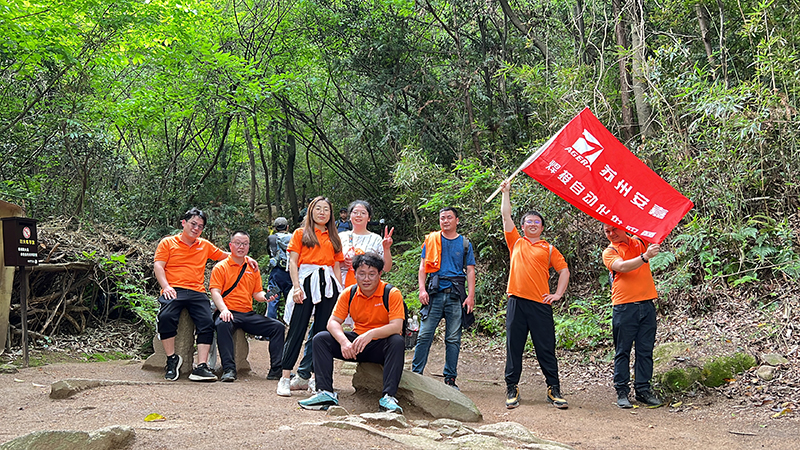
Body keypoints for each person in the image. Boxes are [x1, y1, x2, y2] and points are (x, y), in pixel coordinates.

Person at [290, 200, 395, 393]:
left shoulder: (376, 239)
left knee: (365, 328)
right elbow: (328, 261)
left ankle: (372, 369)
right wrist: (342, 262)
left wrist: (386, 248)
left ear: (369, 217)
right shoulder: (339, 236)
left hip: (367, 293)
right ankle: (307, 374)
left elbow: (386, 268)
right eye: (355, 212)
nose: (358, 215)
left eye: (363, 212)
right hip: (338, 290)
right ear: (349, 215)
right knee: (320, 330)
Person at [154, 207, 257, 382]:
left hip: (197, 291)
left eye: (200, 226)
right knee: (166, 317)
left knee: (207, 322)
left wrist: (247, 258)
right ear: (184, 223)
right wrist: (166, 286)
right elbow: (158, 266)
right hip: (174, 288)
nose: (196, 228)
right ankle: (172, 359)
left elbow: (226, 255)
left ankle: (201, 365)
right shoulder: (168, 243)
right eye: (193, 224)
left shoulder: (204, 245)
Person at [298, 252, 404, 413]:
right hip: (356, 346)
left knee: (397, 341)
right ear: (354, 274)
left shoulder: (391, 293)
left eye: (371, 274)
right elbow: (332, 322)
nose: (366, 279)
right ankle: (325, 392)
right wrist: (344, 342)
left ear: (380, 274)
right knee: (320, 338)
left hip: (380, 345)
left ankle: (388, 397)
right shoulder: (349, 293)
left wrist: (370, 334)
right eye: (362, 274)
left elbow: (396, 326)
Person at [500, 180, 570, 409]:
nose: (532, 224)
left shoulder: (548, 248)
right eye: (528, 221)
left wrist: (557, 294)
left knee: (546, 348)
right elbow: (506, 217)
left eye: (536, 222)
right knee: (514, 347)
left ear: (542, 227)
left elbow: (564, 270)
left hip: (540, 305)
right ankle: (512, 388)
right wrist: (506, 193)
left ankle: (554, 389)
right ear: (522, 226)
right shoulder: (516, 243)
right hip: (517, 302)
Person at [277, 196, 344, 397]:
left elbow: (336, 266)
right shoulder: (300, 233)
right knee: (296, 329)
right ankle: (285, 378)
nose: (322, 212)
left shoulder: (334, 237)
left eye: (326, 209)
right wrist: (296, 287)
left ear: (331, 214)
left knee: (322, 333)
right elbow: (293, 262)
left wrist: (340, 291)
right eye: (318, 208)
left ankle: (316, 379)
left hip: (328, 284)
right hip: (306, 281)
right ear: (311, 211)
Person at [412, 206, 475, 390]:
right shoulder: (432, 240)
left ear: (457, 220)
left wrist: (471, 296)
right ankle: (416, 375)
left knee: (453, 339)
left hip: (456, 295)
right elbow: (423, 267)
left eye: (449, 217)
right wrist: (422, 289)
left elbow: (470, 270)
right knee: (424, 335)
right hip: (434, 294)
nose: (445, 221)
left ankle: (450, 379)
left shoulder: (465, 243)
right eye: (442, 218)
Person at [210, 231, 285, 382]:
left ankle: (276, 370)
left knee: (278, 327)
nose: (241, 247)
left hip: (247, 313)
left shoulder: (252, 267)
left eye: (245, 244)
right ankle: (229, 369)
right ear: (230, 245)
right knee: (222, 324)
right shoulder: (221, 267)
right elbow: (215, 292)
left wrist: (267, 297)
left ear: (248, 246)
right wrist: (224, 310)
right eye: (238, 243)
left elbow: (257, 293)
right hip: (228, 311)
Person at [602, 224, 662, 408]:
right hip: (624, 307)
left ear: (623, 227)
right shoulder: (610, 251)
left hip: (646, 305)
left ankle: (643, 390)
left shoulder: (639, 242)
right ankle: (622, 391)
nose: (611, 234)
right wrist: (645, 257)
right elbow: (622, 266)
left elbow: (654, 227)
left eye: (614, 229)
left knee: (645, 350)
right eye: (607, 231)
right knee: (623, 350)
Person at [266, 217, 293, 320]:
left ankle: (270, 324)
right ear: (287, 227)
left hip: (276, 273)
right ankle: (292, 324)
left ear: (275, 228)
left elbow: (270, 252)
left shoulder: (272, 238)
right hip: (290, 273)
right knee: (290, 300)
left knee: (272, 297)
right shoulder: (294, 237)